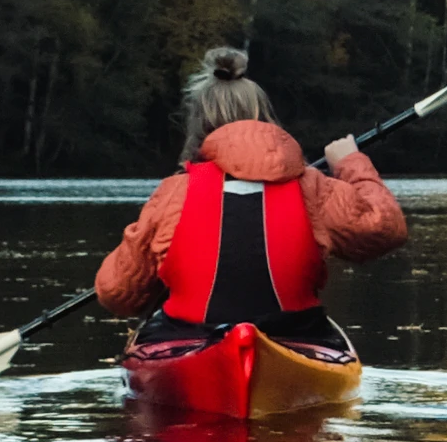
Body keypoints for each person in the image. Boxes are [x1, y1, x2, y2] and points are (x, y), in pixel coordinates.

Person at [94, 47, 408, 343]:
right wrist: (349, 163)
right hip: (295, 334)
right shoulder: (312, 186)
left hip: (191, 337)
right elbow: (385, 229)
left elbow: (117, 293)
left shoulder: (174, 192)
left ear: (199, 126)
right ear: (265, 117)